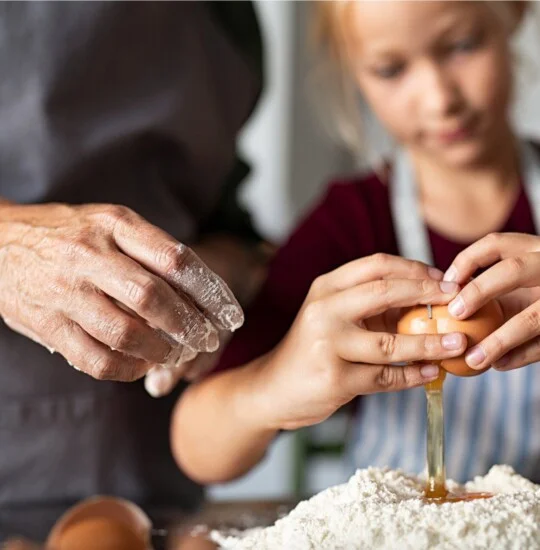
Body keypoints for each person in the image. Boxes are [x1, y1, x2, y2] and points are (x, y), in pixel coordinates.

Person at [171, 0, 540, 487]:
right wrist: (276, 383)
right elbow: (197, 446)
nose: (439, 99)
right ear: (352, 68)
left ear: (512, 13)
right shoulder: (348, 227)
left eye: (462, 46)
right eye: (391, 69)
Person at [0, 0, 268, 521]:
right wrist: (8, 243)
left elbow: (218, 204)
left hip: (150, 464)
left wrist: (221, 270)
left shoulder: (223, 17)